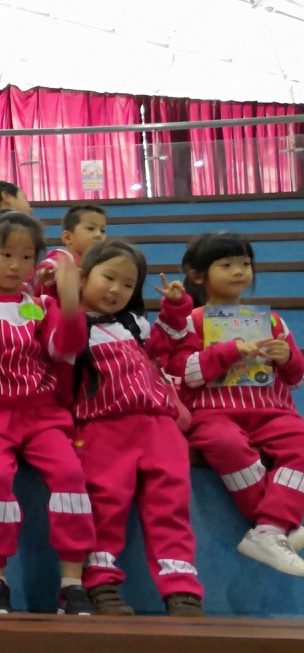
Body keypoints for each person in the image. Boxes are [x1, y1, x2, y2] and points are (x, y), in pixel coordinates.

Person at [0, 211, 96, 615]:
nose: (16, 266)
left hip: (43, 414)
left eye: (26, 257)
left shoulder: (38, 305)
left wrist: (70, 304)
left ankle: (72, 582)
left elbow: (62, 348)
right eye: (6, 255)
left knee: (70, 475)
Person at [72, 239, 204, 615]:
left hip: (159, 426)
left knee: (170, 504)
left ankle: (181, 587)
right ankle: (101, 582)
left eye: (128, 284)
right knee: (105, 502)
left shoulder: (134, 324)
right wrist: (58, 287)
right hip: (102, 426)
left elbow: (165, 345)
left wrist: (176, 308)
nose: (116, 289)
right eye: (108, 278)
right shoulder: (70, 325)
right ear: (83, 277)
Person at [167, 231, 304, 576]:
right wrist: (228, 351)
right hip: (214, 413)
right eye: (226, 265)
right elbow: (183, 375)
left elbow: (296, 378)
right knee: (223, 443)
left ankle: (269, 530)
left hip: (273, 411)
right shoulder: (189, 322)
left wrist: (287, 357)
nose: (239, 271)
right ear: (198, 275)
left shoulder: (272, 321)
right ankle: (277, 527)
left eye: (245, 263)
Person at [37, 204, 107, 298]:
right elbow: (49, 266)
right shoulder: (63, 257)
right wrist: (45, 272)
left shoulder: (94, 265)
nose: (99, 235)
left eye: (102, 230)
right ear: (67, 237)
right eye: (90, 228)